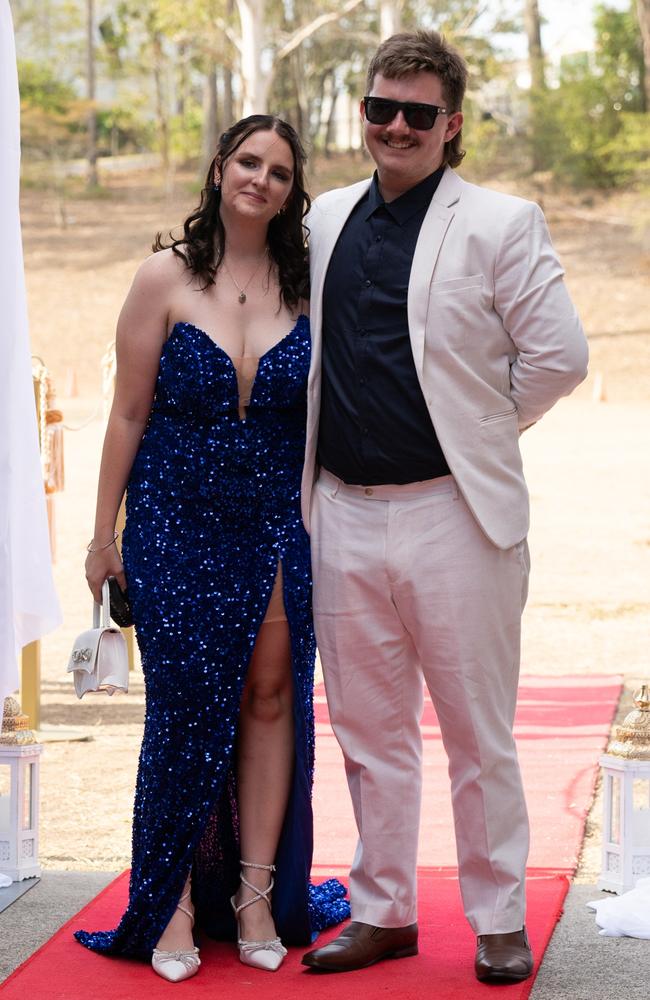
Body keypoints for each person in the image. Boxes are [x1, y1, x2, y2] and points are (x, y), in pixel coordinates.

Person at [300, 31, 588, 984]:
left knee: (477, 733)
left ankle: (499, 915)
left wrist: (479, 430)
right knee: (370, 735)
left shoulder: (504, 222)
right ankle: (383, 911)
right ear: (365, 113)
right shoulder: (327, 218)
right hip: (340, 509)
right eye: (381, 108)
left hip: (455, 513)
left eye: (418, 114)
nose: (396, 126)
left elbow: (560, 357)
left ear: (451, 125)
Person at [75, 114, 349, 983]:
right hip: (171, 522)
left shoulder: (309, 287)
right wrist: (99, 534)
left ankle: (257, 895)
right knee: (185, 712)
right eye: (247, 161)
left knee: (271, 700)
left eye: (277, 170)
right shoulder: (163, 277)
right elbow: (126, 413)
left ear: (290, 190)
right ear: (220, 169)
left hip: (275, 523)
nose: (259, 179)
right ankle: (174, 903)